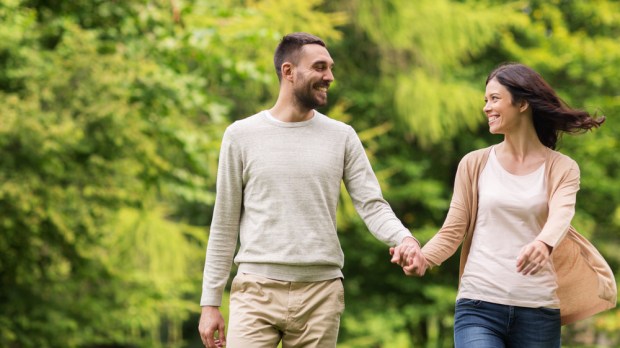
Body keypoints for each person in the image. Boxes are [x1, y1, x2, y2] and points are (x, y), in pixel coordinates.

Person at [197, 32, 425, 348]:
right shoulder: (240, 136)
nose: (329, 76)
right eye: (319, 67)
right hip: (256, 291)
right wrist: (210, 303)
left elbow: (372, 205)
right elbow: (223, 224)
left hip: (321, 295)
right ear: (288, 71)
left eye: (329, 68)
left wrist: (405, 239)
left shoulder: (342, 137)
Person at [416, 63, 617, 347]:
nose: (486, 107)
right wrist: (423, 258)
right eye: (485, 100)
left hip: (538, 311)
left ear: (522, 103)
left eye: (494, 99)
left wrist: (545, 242)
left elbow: (562, 213)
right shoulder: (474, 164)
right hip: (478, 305)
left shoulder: (562, 168)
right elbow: (453, 230)